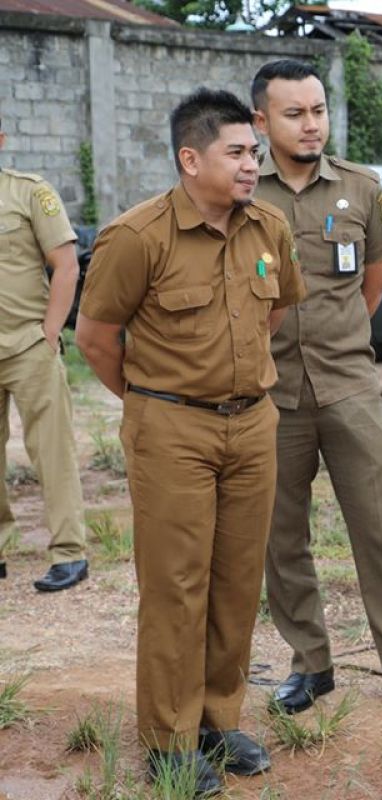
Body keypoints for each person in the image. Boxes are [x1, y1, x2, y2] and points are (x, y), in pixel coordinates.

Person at [75, 88, 306, 798]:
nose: (250, 165)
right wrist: (155, 402)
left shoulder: (268, 228)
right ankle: (169, 742)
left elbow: (274, 314)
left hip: (253, 423)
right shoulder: (138, 237)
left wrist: (230, 385)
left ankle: (215, 719)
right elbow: (95, 337)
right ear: (189, 158)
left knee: (237, 582)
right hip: (171, 426)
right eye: (235, 152)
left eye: (253, 152)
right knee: (176, 587)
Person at [249, 59, 382, 718]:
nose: (311, 125)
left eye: (318, 110)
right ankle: (310, 663)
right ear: (261, 121)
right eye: (294, 113)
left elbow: (373, 277)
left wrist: (338, 342)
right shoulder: (244, 194)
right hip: (271, 393)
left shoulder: (361, 189)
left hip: (349, 385)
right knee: (281, 535)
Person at [0, 113, 88, 592]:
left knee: (51, 451)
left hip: (27, 345)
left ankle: (69, 552)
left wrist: (49, 335)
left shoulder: (29, 192)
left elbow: (67, 266)